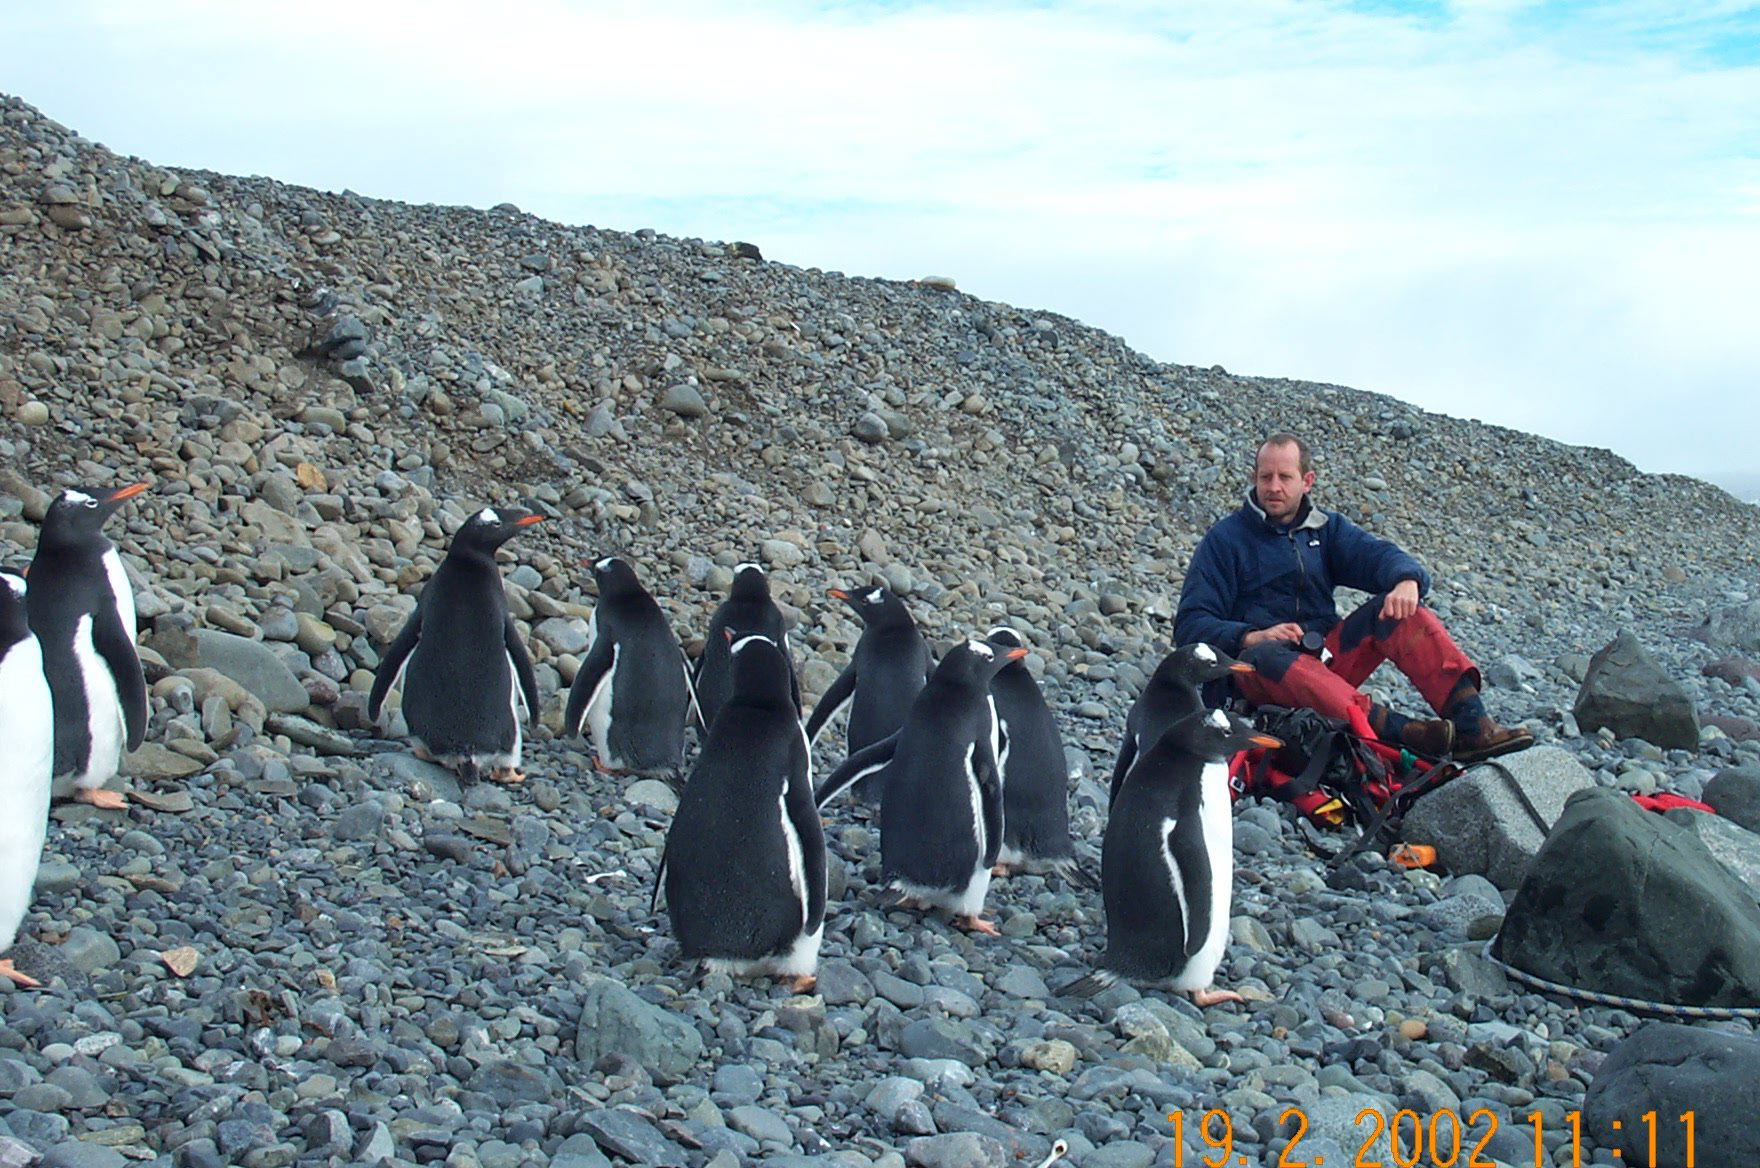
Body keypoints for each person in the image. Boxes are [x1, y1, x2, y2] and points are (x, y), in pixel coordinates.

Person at [1174, 432, 1532, 764]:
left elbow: (1380, 557)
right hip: (1257, 675)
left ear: (1307, 481)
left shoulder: (1326, 530)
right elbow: (1190, 624)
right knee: (1264, 656)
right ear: (1254, 478)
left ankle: (1473, 726)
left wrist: (1407, 580)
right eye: (1266, 477)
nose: (1274, 487)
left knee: (1400, 613)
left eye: (1285, 477)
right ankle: (1403, 734)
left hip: (1322, 662)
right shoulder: (1225, 540)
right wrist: (1251, 636)